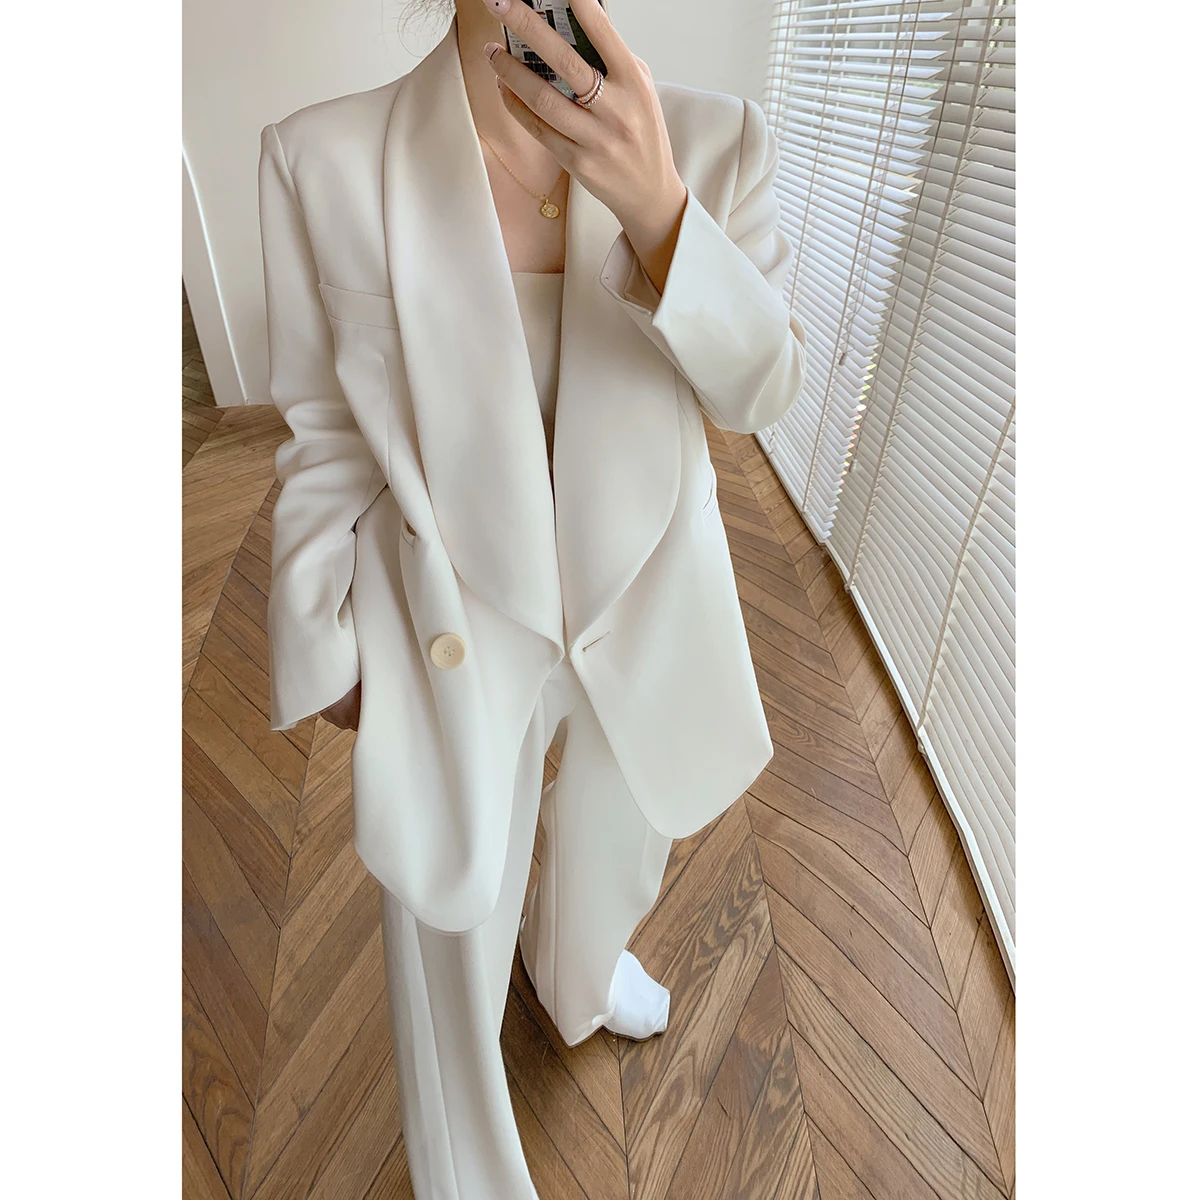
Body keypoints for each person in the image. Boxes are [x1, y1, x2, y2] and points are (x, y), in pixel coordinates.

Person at [257, 0, 808, 1195]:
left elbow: (761, 392)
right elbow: (323, 431)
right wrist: (324, 641)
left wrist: (661, 214)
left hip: (643, 597)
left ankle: (577, 977)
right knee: (449, 941)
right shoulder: (323, 160)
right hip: (452, 614)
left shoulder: (714, 143)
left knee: (616, 857)